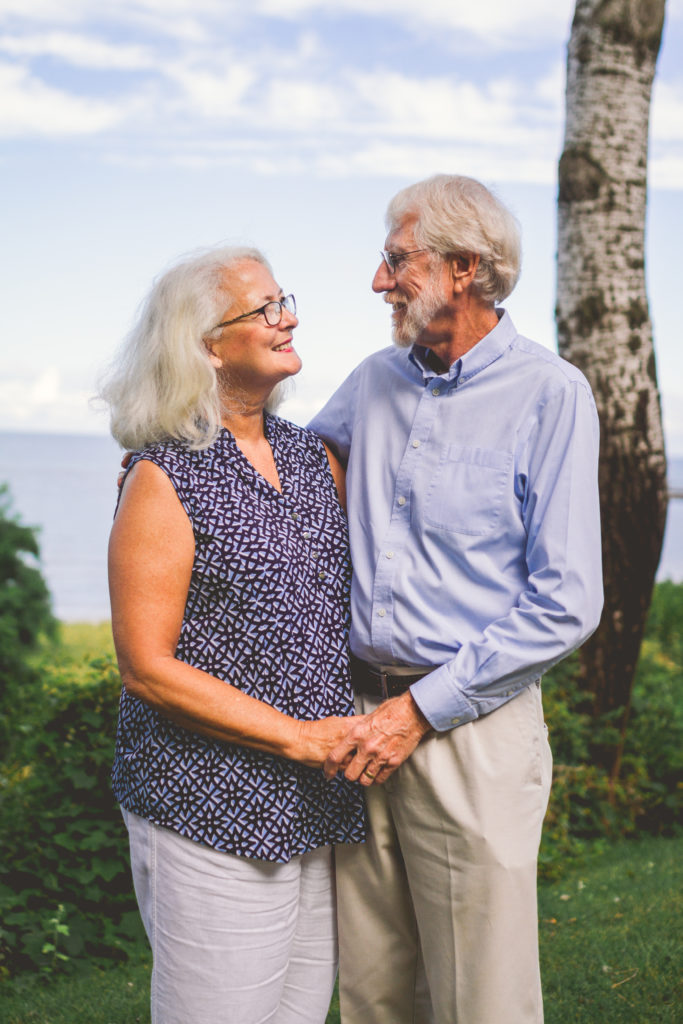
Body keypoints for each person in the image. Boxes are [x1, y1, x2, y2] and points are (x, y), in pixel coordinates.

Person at [310, 174, 604, 1024]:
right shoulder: (371, 382)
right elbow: (290, 476)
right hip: (361, 715)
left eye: (396, 260)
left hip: (471, 725)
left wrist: (420, 711)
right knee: (374, 990)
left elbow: (566, 601)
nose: (378, 281)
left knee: (482, 996)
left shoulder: (551, 395)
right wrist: (179, 472)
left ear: (464, 268)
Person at [102, 245, 365, 1024]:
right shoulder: (161, 475)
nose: (286, 318)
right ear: (206, 344)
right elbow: (146, 668)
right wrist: (299, 739)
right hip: (206, 800)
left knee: (295, 1012)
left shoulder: (311, 456)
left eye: (284, 300)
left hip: (312, 803)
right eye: (262, 309)